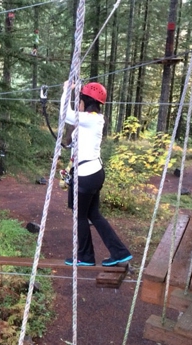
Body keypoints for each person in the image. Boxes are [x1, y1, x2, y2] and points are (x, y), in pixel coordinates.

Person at [60, 81, 132, 267]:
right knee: (93, 214)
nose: (79, 104)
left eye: (81, 100)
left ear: (87, 101)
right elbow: (72, 141)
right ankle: (120, 252)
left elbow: (65, 115)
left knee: (80, 216)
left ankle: (86, 257)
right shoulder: (91, 119)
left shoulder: (91, 119)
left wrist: (66, 91)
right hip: (92, 173)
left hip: (87, 175)